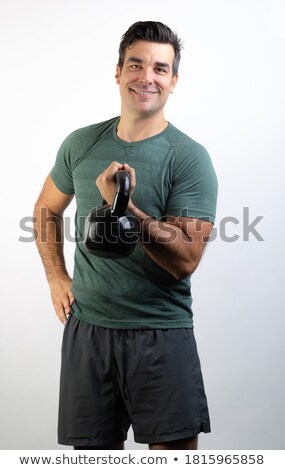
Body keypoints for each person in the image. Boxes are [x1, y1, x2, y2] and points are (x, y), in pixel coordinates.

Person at [34, 21, 218, 451]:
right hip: (89, 329)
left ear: (174, 81)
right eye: (135, 64)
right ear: (118, 72)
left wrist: (126, 207)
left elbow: (186, 259)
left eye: (159, 68)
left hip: (160, 332)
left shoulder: (189, 158)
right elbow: (45, 209)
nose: (146, 77)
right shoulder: (80, 143)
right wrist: (56, 277)